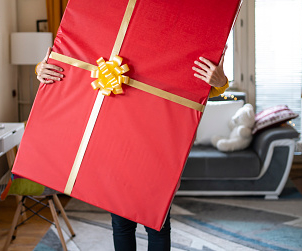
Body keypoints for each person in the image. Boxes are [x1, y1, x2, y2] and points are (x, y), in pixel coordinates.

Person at [35, 47, 229, 251]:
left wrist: (222, 83)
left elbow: (197, 90)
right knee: (121, 224)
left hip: (158, 151)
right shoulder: (115, 42)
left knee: (157, 226)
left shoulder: (171, 54)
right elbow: (76, 65)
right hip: (118, 147)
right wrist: (41, 68)